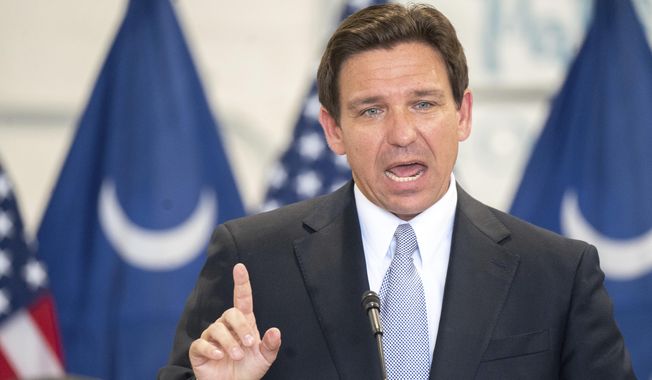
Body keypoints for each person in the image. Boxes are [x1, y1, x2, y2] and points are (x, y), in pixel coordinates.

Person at [159, 3, 634, 379]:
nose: (402, 134)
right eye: (370, 111)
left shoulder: (557, 273)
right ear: (333, 130)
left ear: (463, 114)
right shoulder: (253, 261)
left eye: (423, 104)